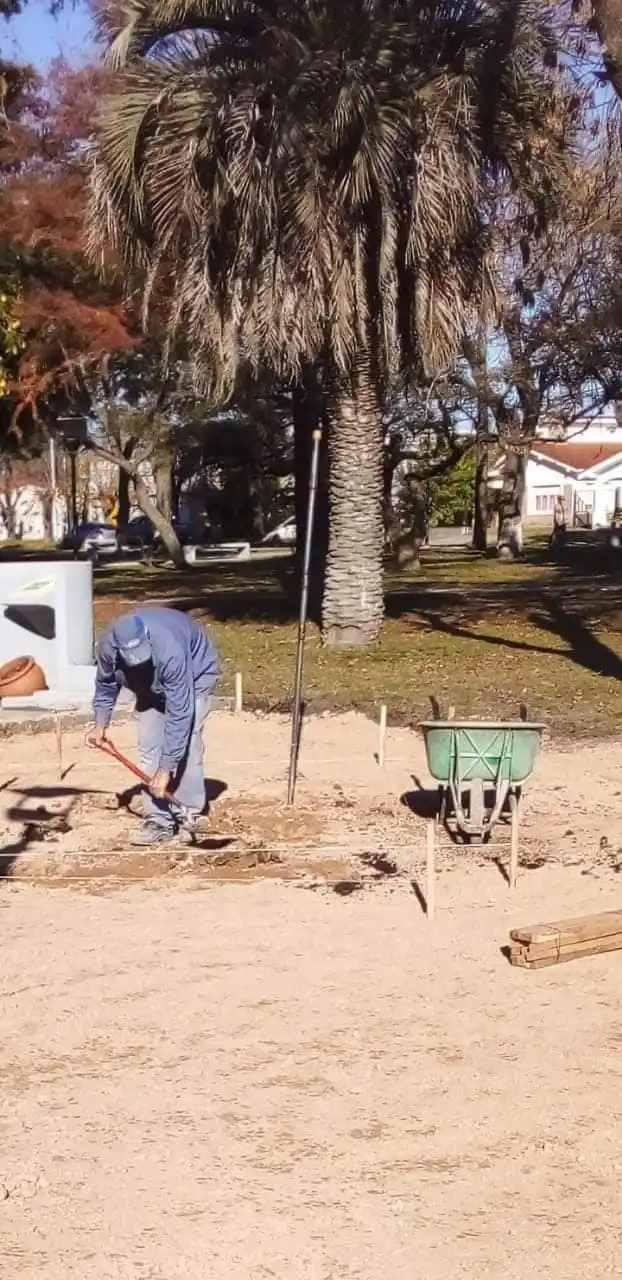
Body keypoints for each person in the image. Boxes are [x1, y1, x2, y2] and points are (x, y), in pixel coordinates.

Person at [87, 607, 220, 846]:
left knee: (187, 745)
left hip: (194, 678)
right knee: (149, 747)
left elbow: (180, 713)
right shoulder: (109, 647)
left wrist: (166, 768)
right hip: (146, 685)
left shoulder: (169, 651)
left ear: (147, 637)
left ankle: (190, 813)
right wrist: (100, 723)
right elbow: (106, 684)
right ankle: (159, 820)